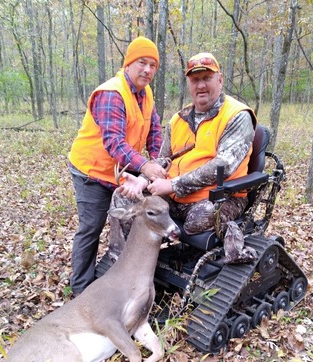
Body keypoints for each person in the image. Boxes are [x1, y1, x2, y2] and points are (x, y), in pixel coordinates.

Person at [111, 51, 257, 259]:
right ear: (189, 83)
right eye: (195, 80)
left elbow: (223, 166)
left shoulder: (237, 115)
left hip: (221, 197)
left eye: (207, 78)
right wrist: (143, 181)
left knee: (198, 219)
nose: (201, 85)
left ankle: (230, 234)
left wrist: (173, 185)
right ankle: (127, 262)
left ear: (220, 79)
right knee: (125, 198)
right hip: (176, 197)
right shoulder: (179, 119)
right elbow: (164, 159)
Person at [68, 36, 166, 296]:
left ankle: (122, 274)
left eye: (152, 65)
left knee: (131, 217)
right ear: (129, 63)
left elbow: (154, 130)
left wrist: (156, 160)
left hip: (120, 169)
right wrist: (145, 166)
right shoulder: (112, 93)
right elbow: (113, 142)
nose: (147, 70)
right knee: (92, 226)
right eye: (142, 62)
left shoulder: (145, 93)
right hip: (91, 170)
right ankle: (80, 290)